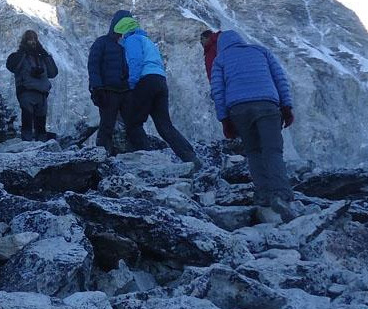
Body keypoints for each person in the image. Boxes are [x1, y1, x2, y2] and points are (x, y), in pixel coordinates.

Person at [210, 30, 297, 220]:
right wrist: (287, 107)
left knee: (253, 152)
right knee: (272, 151)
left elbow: (218, 91)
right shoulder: (260, 51)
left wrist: (224, 119)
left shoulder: (220, 59)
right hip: (267, 104)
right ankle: (281, 195)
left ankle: (264, 195)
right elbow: (280, 78)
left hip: (238, 109)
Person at [116, 17, 200, 167]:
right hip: (160, 81)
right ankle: (190, 157)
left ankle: (148, 160)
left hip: (145, 80)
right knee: (164, 125)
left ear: (124, 32)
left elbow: (136, 61)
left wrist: (131, 83)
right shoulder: (147, 41)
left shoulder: (132, 39)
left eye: (120, 34)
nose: (120, 38)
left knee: (133, 122)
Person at [87, 9, 147, 155]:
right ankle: (101, 155)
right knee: (107, 124)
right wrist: (97, 88)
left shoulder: (129, 43)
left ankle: (143, 153)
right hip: (108, 91)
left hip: (127, 91)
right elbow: (93, 65)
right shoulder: (102, 42)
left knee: (133, 123)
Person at [5, 30, 58, 141]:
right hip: (26, 91)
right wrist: (23, 53)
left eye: (34, 39)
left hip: (42, 94)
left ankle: (41, 144)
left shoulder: (42, 58)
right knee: (27, 120)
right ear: (25, 41)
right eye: (30, 39)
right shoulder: (19, 57)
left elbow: (53, 73)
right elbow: (12, 66)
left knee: (41, 123)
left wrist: (44, 54)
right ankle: (27, 143)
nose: (32, 42)